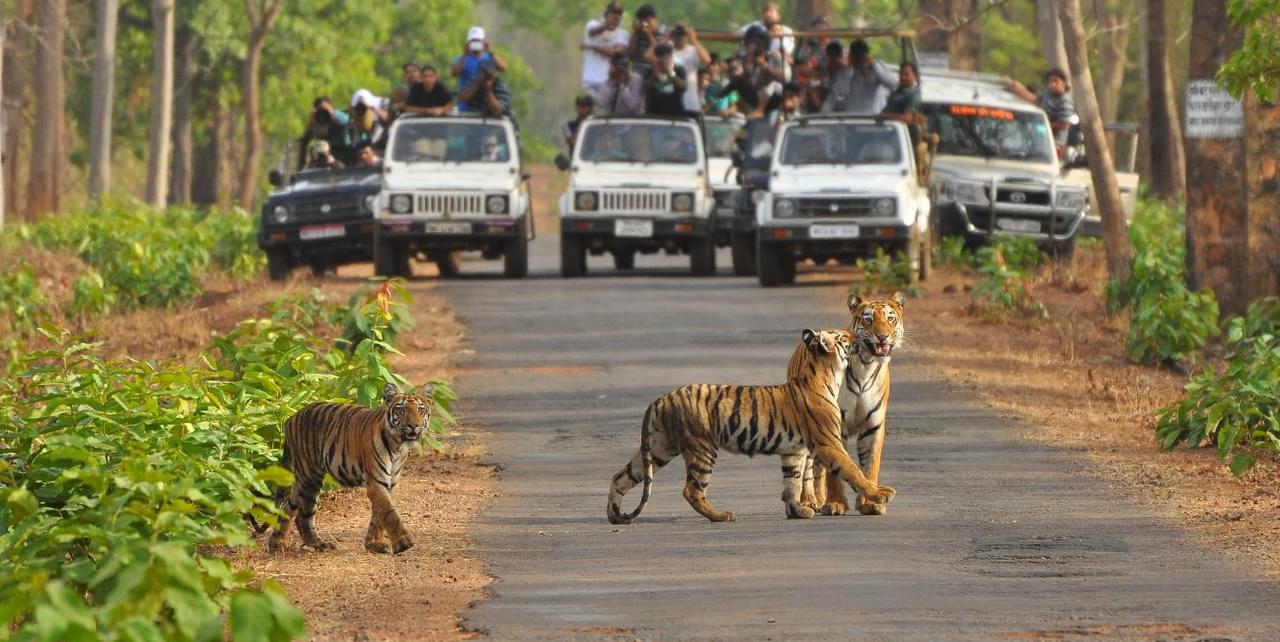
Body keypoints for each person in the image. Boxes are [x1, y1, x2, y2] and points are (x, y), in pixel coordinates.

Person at [822, 38, 897, 114]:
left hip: (874, 119)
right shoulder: (847, 73)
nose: (856, 60)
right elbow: (835, 94)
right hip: (853, 119)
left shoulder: (877, 68)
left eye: (859, 56)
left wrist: (874, 66)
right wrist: (824, 112)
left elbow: (893, 85)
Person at [1004, 67, 1077, 140]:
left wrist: (1043, 124)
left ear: (1064, 83)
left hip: (1054, 139)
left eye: (1056, 81)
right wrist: (1018, 88)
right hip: (1039, 135)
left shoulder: (1066, 101)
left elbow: (1064, 125)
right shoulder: (1048, 93)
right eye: (1050, 81)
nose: (1052, 84)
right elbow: (1035, 100)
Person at [451, 26, 508, 111]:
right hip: (466, 102)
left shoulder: (490, 57)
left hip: (487, 99)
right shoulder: (461, 59)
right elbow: (454, 73)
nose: (476, 45)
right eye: (473, 42)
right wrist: (465, 54)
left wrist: (490, 51)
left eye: (478, 42)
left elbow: (504, 68)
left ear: (484, 41)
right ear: (468, 43)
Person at [736, 2, 795, 80]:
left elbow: (785, 52)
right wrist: (765, 34)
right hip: (757, 63)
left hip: (777, 63)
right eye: (765, 12)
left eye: (771, 11)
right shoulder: (756, 26)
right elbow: (739, 33)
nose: (768, 14)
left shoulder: (787, 30)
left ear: (778, 15)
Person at [581, 2, 629, 97]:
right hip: (589, 81)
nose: (616, 16)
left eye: (619, 14)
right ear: (606, 13)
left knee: (603, 110)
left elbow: (614, 53)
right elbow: (592, 32)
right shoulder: (592, 24)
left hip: (607, 82)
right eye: (613, 13)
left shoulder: (622, 33)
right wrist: (606, 26)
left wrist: (591, 47)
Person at [298, 96, 350, 170]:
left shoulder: (341, 120)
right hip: (325, 158)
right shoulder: (319, 121)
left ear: (332, 107)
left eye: (326, 109)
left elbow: (348, 123)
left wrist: (332, 114)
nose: (324, 113)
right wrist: (312, 121)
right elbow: (307, 138)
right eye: (321, 110)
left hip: (345, 154)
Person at [668, 24, 710, 113]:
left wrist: (693, 38)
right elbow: (649, 57)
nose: (680, 37)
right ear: (673, 36)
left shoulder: (693, 50)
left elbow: (707, 60)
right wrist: (666, 36)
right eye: (677, 34)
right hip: (670, 100)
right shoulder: (667, 49)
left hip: (690, 102)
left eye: (683, 34)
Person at [645, 42, 689, 117]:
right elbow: (645, 88)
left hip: (675, 112)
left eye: (666, 57)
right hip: (654, 112)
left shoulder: (679, 69)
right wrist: (655, 76)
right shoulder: (650, 70)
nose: (663, 60)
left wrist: (670, 73)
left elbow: (683, 87)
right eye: (660, 57)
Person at [627, 5, 664, 77]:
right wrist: (635, 32)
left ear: (656, 20)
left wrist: (648, 34)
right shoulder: (636, 35)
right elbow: (630, 53)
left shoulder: (661, 36)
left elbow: (658, 52)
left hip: (653, 74)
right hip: (637, 73)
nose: (645, 24)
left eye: (648, 21)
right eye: (642, 21)